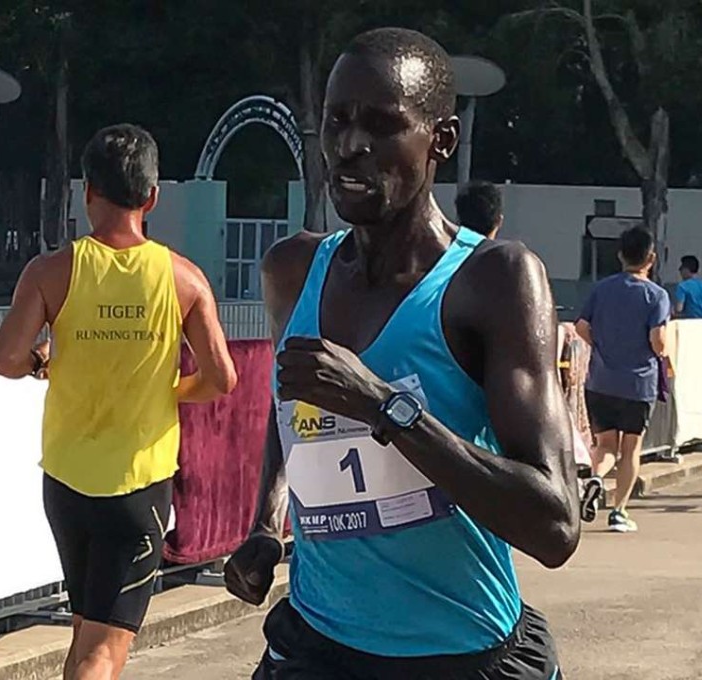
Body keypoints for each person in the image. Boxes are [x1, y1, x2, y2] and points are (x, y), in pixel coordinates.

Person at [223, 28, 579, 680]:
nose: (350, 146)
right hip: (317, 645)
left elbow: (555, 525)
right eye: (337, 121)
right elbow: (293, 409)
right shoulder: (292, 270)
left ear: (441, 140)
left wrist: (384, 406)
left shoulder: (494, 280)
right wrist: (267, 525)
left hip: (460, 655)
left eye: (382, 126)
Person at [0, 124, 237, 680]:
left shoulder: (51, 271)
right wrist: (173, 391)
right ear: (152, 197)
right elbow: (222, 378)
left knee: (85, 632)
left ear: (88, 192)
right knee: (105, 650)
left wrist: (39, 363)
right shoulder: (184, 279)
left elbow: (4, 357)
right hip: (139, 483)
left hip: (66, 480)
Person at [574, 227, 669, 534]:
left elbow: (581, 327)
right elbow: (659, 341)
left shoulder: (601, 289)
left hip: (600, 380)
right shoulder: (657, 295)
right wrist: (664, 356)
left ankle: (596, 478)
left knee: (605, 445)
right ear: (651, 258)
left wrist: (601, 345)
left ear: (620, 255)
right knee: (630, 449)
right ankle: (619, 511)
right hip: (638, 383)